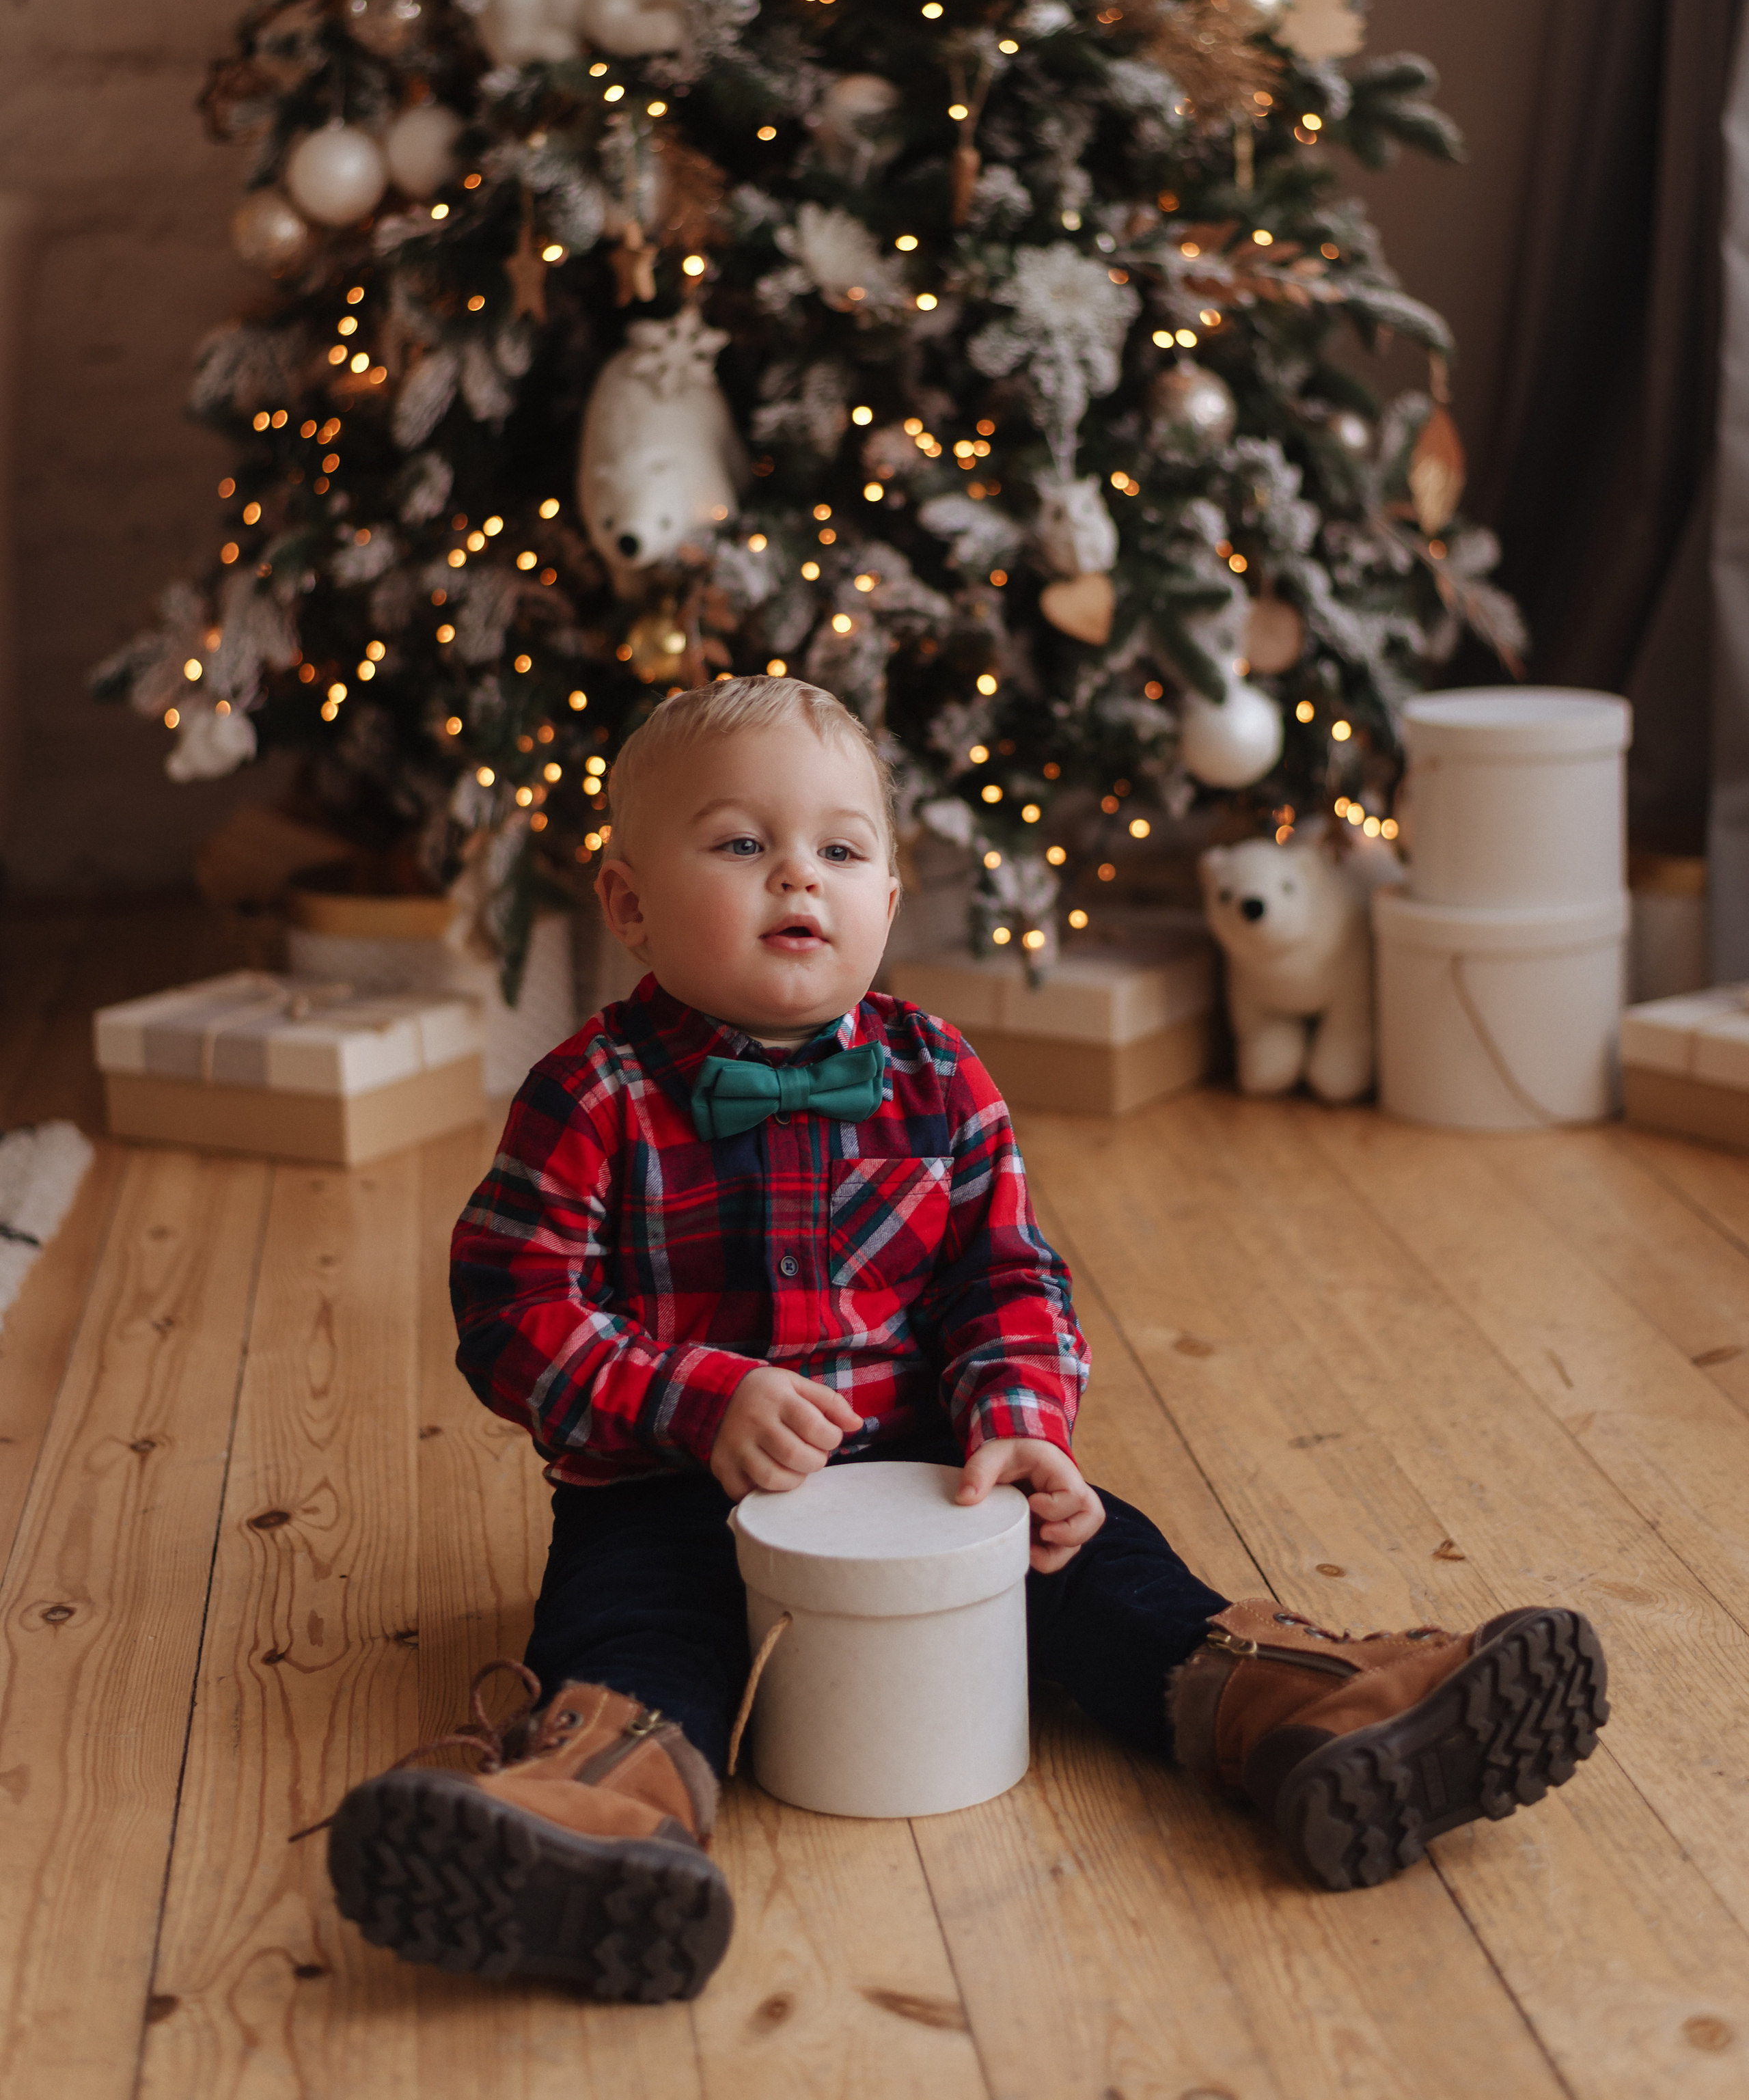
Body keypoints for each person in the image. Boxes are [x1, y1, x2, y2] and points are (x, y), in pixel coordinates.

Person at [324, 676, 1609, 2002]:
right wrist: (692, 1400)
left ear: (887, 898)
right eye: (738, 845)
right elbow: (511, 1314)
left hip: (933, 1481)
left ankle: (1298, 1712)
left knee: (1106, 1571)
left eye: (838, 849)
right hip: (666, 1491)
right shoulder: (587, 1093)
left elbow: (1004, 1275)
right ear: (627, 902)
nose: (794, 881)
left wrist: (1015, 1423)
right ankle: (596, 1815)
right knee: (639, 1629)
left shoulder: (938, 1077)